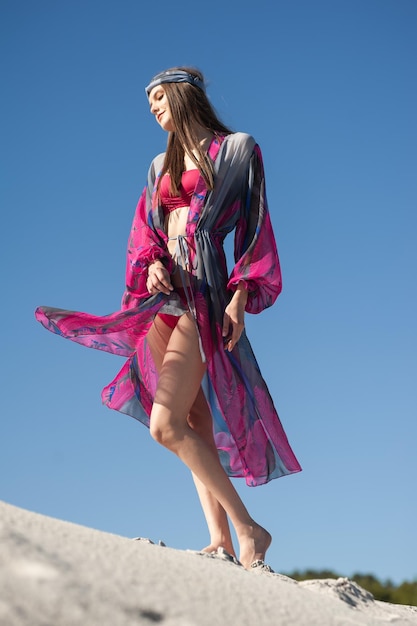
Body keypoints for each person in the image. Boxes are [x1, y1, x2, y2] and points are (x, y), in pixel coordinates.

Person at [35, 67, 301, 571]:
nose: (153, 108)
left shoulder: (239, 148)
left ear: (183, 96)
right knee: (191, 420)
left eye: (159, 98)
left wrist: (241, 295)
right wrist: (153, 262)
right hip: (167, 296)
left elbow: (255, 224)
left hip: (204, 294)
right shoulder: (160, 165)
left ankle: (250, 529)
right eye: (149, 102)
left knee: (163, 425)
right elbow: (147, 230)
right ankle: (219, 539)